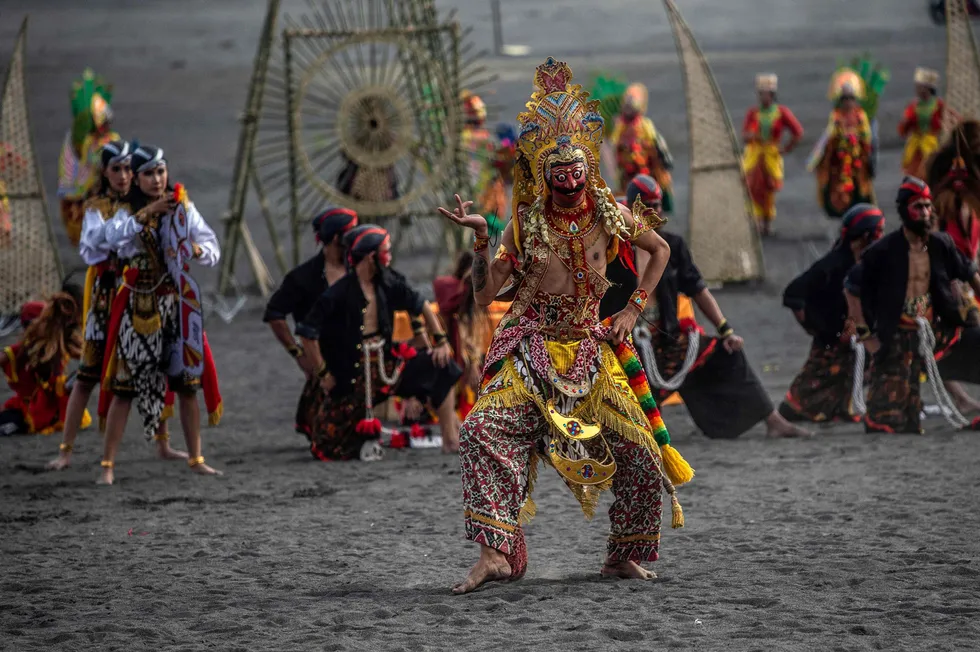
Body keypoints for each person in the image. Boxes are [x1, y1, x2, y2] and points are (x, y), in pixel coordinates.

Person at [438, 58, 693, 595]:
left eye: (579, 180)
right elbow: (485, 295)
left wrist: (629, 311)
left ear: (589, 174)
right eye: (561, 183)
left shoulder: (609, 211)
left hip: (592, 348)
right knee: (482, 431)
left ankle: (623, 556)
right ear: (544, 179)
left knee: (644, 454)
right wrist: (483, 242)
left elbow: (661, 249)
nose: (572, 191)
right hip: (531, 349)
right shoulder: (524, 225)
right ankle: (496, 554)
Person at [624, 175, 811, 439]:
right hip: (630, 341)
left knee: (728, 352)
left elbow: (698, 289)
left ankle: (774, 421)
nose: (653, 211)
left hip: (668, 337)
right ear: (630, 207)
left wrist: (725, 329)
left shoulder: (672, 246)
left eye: (657, 205)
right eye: (647, 206)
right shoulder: (616, 247)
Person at [98, 144, 222, 484]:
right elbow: (112, 240)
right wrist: (148, 212)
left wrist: (195, 249)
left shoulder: (182, 206)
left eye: (161, 172)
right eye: (149, 174)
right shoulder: (124, 209)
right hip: (139, 305)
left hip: (177, 303)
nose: (157, 179)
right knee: (125, 387)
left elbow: (212, 246)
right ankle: (107, 465)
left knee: (187, 383)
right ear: (136, 179)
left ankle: (196, 457)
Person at [296, 225, 462, 460]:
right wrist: (323, 373)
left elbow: (421, 305)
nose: (390, 256)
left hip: (387, 368)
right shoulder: (338, 294)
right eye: (387, 251)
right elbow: (306, 332)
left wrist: (440, 342)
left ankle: (450, 440)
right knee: (328, 446)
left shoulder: (389, 281)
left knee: (441, 366)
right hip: (351, 376)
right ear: (371, 257)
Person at [844, 177, 980, 434]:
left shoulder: (942, 244)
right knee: (889, 423)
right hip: (896, 335)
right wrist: (865, 337)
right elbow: (851, 291)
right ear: (904, 210)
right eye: (918, 207)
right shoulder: (882, 251)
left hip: (940, 329)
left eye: (928, 206)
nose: (925, 213)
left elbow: (970, 273)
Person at [779, 204, 885, 423]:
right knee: (818, 375)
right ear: (867, 235)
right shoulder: (833, 264)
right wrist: (812, 325)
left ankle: (838, 409)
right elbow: (793, 293)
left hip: (852, 331)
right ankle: (794, 409)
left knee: (849, 371)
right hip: (831, 334)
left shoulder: (868, 261)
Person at [263, 206, 358, 437]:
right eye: (352, 232)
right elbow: (274, 314)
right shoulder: (303, 278)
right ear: (337, 238)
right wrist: (298, 354)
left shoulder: (360, 268)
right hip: (324, 360)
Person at [926, 119, 980, 414]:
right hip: (943, 279)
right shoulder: (942, 205)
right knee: (941, 339)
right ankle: (959, 397)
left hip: (965, 275)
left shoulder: (971, 204)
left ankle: (960, 396)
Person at [1, 294, 84, 436]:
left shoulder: (58, 343)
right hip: (29, 408)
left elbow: (84, 354)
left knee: (77, 378)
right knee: (10, 421)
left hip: (55, 405)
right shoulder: (20, 350)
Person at [57, 69, 119, 247]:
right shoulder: (90, 143)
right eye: (104, 123)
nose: (107, 126)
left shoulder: (113, 138)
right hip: (94, 191)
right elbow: (96, 162)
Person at [742, 74, 803, 236]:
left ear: (773, 95)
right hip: (755, 156)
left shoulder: (781, 113)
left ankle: (767, 224)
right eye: (761, 93)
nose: (764, 97)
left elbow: (797, 132)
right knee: (752, 188)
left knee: (768, 189)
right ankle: (755, 222)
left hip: (770, 156)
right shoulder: (753, 113)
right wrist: (752, 136)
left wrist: (786, 148)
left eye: (767, 93)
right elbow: (744, 135)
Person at [809, 72, 874, 218]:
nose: (848, 102)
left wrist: (857, 140)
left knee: (859, 185)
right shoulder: (836, 115)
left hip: (856, 158)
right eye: (845, 99)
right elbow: (830, 134)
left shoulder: (860, 116)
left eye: (851, 98)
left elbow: (866, 136)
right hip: (840, 158)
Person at [433, 251, 486, 420]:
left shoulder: (468, 304)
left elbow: (472, 337)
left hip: (463, 361)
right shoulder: (452, 296)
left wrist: (473, 364)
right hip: (444, 357)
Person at [612, 82, 674, 212]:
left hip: (646, 170)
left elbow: (656, 146)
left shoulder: (645, 125)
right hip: (628, 174)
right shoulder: (620, 126)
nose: (629, 107)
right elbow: (616, 147)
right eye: (627, 104)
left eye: (632, 103)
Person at [899, 68, 945, 180]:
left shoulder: (938, 105)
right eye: (917, 86)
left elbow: (945, 124)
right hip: (916, 148)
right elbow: (903, 129)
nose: (917, 89)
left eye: (919, 86)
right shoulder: (913, 106)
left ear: (928, 88)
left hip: (931, 144)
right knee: (914, 176)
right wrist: (905, 121)